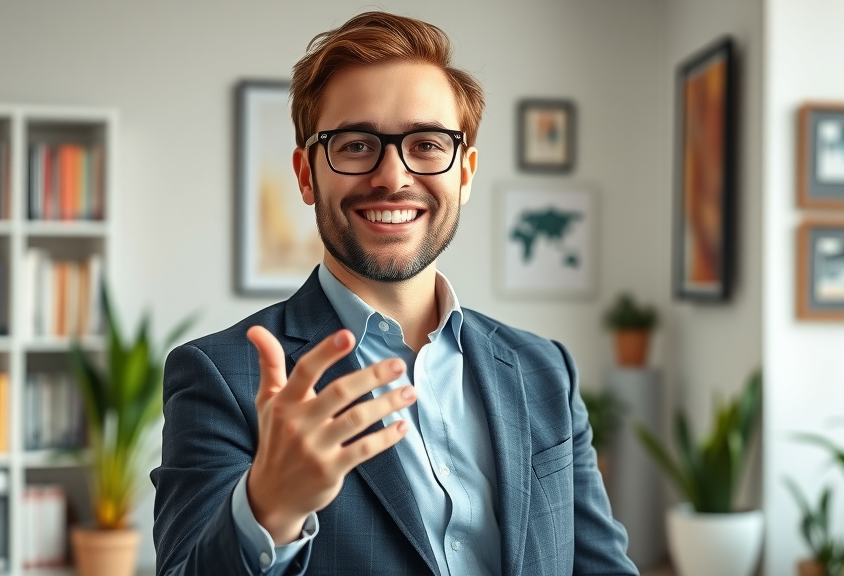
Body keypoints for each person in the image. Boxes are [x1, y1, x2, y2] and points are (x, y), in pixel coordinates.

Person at [151, 11, 637, 576]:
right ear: (307, 175)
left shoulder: (544, 369)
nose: (392, 175)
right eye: (356, 144)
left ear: (465, 173)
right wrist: (268, 512)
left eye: (427, 143)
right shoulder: (221, 376)